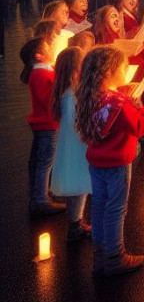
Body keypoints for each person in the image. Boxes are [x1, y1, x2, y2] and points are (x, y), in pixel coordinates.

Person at [75, 45, 144, 275]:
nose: (127, 69)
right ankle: (115, 257)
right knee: (116, 210)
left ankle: (100, 255)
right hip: (117, 163)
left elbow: (114, 114)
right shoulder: (117, 103)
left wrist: (125, 96)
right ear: (110, 71)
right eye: (123, 66)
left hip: (97, 162)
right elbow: (139, 126)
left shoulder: (92, 94)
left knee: (101, 208)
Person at [50, 46, 92, 241]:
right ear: (75, 69)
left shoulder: (70, 91)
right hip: (76, 146)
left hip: (74, 145)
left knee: (80, 185)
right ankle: (74, 226)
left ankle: (76, 221)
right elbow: (74, 120)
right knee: (77, 186)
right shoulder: (71, 94)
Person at [21, 35, 64, 216]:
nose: (51, 47)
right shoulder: (41, 74)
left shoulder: (41, 72)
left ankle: (39, 195)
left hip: (43, 124)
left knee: (40, 161)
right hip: (47, 124)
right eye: (47, 46)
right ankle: (40, 200)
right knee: (46, 163)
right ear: (39, 55)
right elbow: (48, 100)